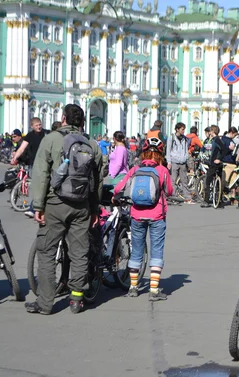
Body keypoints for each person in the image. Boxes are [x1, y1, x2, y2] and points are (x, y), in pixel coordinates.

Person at [25, 104, 103, 315]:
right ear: (82, 122)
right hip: (82, 205)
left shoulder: (50, 139)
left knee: (47, 251)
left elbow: (41, 174)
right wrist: (95, 208)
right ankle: (76, 299)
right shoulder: (91, 144)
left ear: (63, 118)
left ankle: (45, 303)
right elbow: (97, 180)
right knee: (79, 251)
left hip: (56, 203)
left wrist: (38, 205)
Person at [113, 138, 173, 300]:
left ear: (144, 152)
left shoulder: (135, 169)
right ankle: (153, 290)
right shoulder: (162, 170)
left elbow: (120, 186)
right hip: (157, 216)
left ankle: (133, 287)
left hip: (137, 215)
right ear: (160, 154)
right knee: (156, 250)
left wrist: (114, 196)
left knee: (137, 250)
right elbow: (170, 191)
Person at [11, 117, 49, 218]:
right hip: (34, 164)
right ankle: (36, 208)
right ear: (32, 126)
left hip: (46, 162)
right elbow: (22, 148)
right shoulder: (29, 136)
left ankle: (35, 208)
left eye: (40, 125)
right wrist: (15, 157)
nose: (39, 127)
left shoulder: (46, 133)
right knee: (37, 186)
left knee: (42, 186)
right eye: (36, 125)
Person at [201, 125, 228, 208]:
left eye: (210, 131)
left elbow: (224, 149)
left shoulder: (216, 140)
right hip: (213, 163)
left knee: (208, 181)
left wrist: (219, 159)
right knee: (217, 182)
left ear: (212, 131)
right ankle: (218, 200)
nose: (209, 133)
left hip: (214, 164)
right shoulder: (213, 140)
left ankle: (206, 200)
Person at [166, 122, 191, 199]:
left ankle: (187, 196)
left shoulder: (185, 139)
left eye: (184, 129)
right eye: (182, 129)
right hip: (174, 162)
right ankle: (173, 195)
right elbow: (168, 150)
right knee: (173, 180)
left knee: (184, 180)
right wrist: (169, 161)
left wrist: (186, 158)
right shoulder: (171, 138)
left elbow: (186, 150)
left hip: (183, 162)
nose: (183, 131)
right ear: (177, 129)